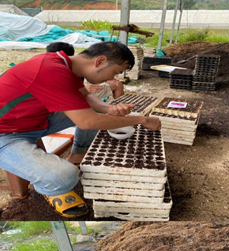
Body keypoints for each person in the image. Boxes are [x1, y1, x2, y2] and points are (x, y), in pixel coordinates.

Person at [0, 41, 161, 218]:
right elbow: (87, 122)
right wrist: (142, 120)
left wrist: (108, 109)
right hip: (6, 133)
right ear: (100, 61)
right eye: (114, 72)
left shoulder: (65, 66)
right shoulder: (51, 70)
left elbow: (85, 97)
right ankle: (50, 189)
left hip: (31, 121)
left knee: (96, 115)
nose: (111, 80)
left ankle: (78, 154)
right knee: (64, 177)